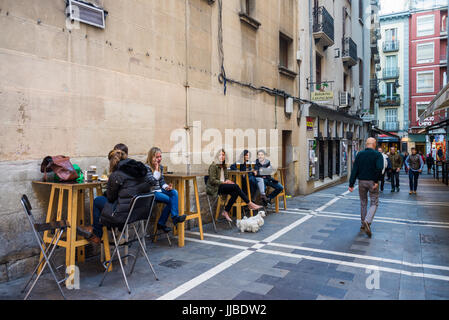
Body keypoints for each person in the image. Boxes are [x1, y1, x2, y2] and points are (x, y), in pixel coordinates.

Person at [77, 150, 151, 244]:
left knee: (97, 201)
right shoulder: (142, 171)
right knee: (111, 203)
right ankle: (117, 233)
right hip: (138, 213)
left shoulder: (116, 175)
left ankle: (97, 233)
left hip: (123, 215)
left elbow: (111, 198)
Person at [206, 149, 262, 222]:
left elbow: (225, 178)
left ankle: (226, 211)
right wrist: (224, 182)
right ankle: (250, 203)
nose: (221, 156)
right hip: (215, 187)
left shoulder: (224, 166)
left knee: (235, 191)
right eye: (220, 155)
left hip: (222, 186)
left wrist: (228, 181)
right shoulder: (213, 166)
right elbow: (212, 181)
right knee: (236, 187)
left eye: (223, 155)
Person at [348, 138, 384, 238]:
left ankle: (363, 224)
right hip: (372, 182)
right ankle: (367, 221)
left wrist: (351, 184)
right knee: (374, 202)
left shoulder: (359, 154)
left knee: (363, 202)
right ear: (374, 144)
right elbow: (379, 168)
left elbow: (355, 169)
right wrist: (376, 181)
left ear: (366, 144)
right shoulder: (377, 155)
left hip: (361, 182)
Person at [146, 147, 186, 233]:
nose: (159, 159)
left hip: (159, 190)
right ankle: (162, 222)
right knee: (170, 201)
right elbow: (152, 182)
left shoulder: (160, 167)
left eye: (160, 157)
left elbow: (162, 182)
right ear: (151, 157)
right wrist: (156, 169)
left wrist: (167, 187)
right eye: (157, 157)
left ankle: (174, 217)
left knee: (174, 192)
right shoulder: (147, 167)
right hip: (151, 192)